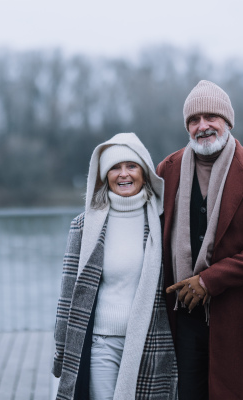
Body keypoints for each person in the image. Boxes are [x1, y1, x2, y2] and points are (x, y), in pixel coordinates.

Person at [156, 80, 243, 400]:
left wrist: (208, 281)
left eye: (211, 117)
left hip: (237, 314)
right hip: (182, 314)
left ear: (227, 122)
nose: (202, 126)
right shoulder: (166, 171)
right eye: (193, 120)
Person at [53, 132, 178, 400]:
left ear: (144, 173)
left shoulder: (163, 221)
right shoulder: (84, 226)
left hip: (151, 341)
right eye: (115, 167)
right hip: (102, 342)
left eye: (131, 166)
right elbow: (67, 293)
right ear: (104, 175)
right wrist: (61, 347)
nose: (123, 174)